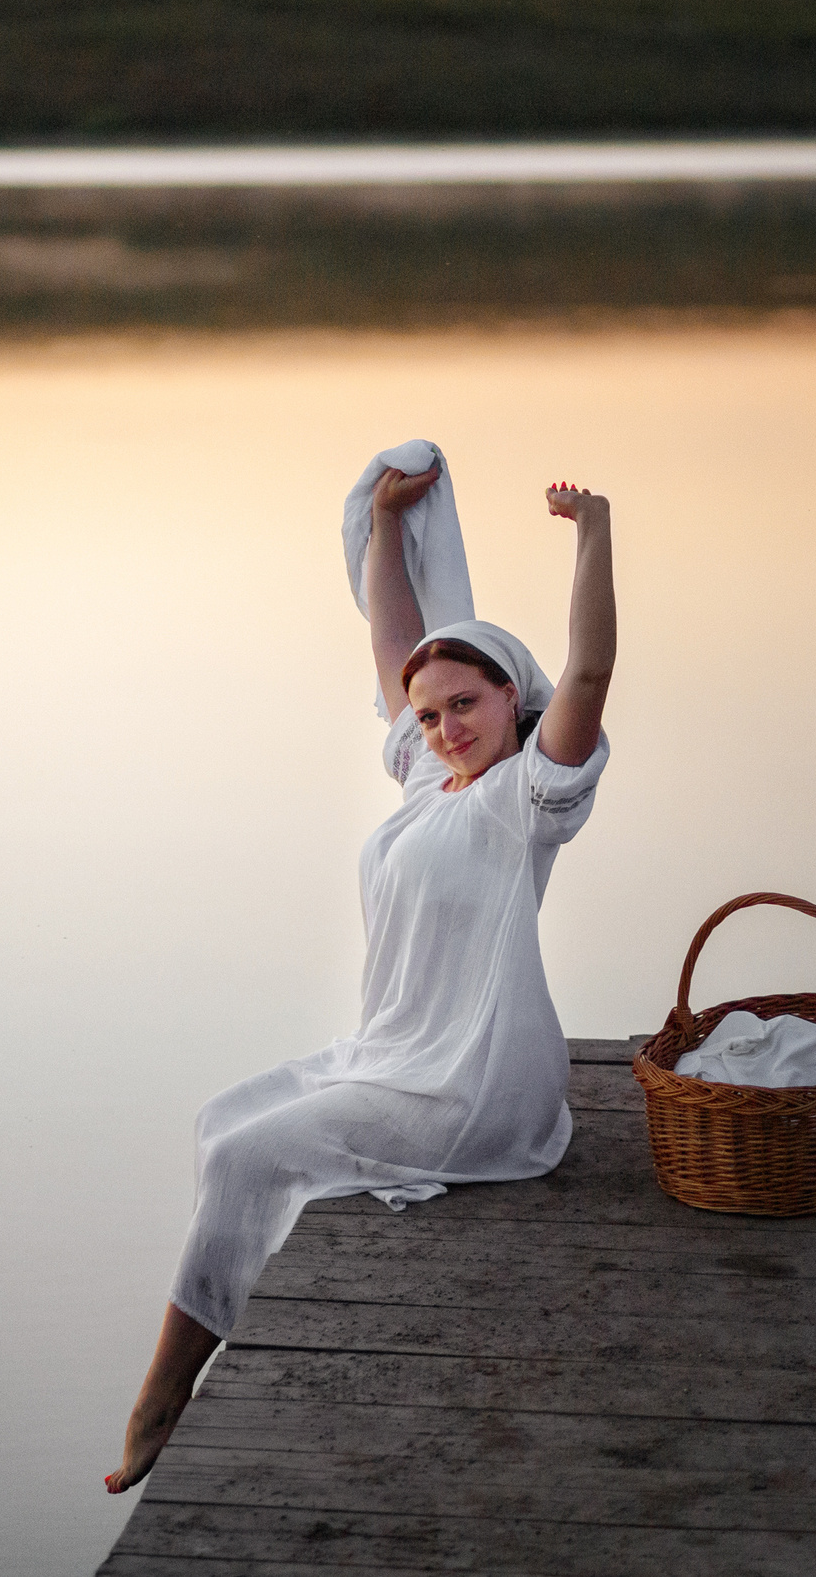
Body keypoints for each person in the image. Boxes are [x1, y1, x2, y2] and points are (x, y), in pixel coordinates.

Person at [104, 467, 617, 1494]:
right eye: (428, 715)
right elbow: (393, 639)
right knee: (222, 1119)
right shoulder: (435, 773)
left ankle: (163, 1397)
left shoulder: (527, 792)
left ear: (513, 696)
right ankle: (221, 1334)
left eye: (464, 704)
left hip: (475, 1084)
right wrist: (385, 522)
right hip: (395, 1055)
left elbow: (593, 669)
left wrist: (593, 531)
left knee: (250, 1156)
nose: (442, 726)